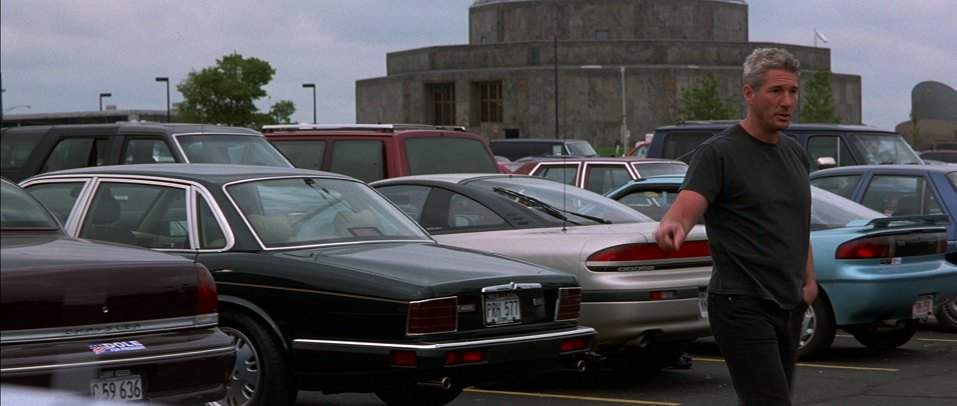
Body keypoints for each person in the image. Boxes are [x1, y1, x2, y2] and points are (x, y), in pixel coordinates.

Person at [654, 48, 817, 406]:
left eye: (792, 91)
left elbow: (796, 224)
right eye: (776, 91)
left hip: (789, 304)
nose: (787, 101)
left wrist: (809, 280)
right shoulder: (719, 153)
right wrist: (673, 226)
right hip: (741, 302)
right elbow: (685, 208)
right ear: (749, 93)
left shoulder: (795, 154)